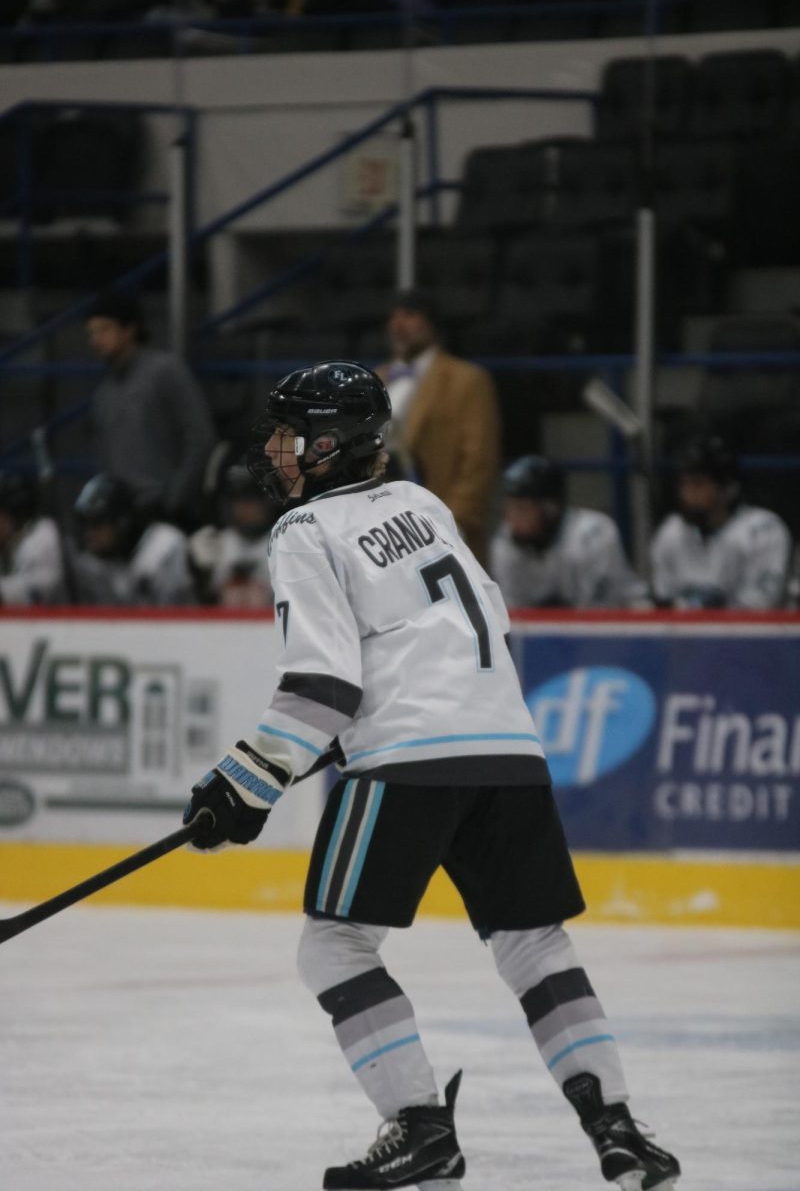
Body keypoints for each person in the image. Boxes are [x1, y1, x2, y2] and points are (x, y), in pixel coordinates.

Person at [182, 360, 681, 1191]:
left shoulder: (305, 533)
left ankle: (420, 1130)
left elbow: (323, 686)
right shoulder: (424, 505)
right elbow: (467, 631)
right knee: (535, 946)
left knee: (334, 946)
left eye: (291, 433)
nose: (275, 449)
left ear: (333, 445)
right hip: (509, 749)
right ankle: (618, 1128)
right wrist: (336, 742)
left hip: (409, 758)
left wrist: (243, 783)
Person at [377, 289, 501, 568]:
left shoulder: (467, 380)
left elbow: (478, 460)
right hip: (381, 523)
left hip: (441, 518)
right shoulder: (376, 378)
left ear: (432, 324)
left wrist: (453, 520)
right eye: (393, 317)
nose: (398, 325)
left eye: (409, 315)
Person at [86, 290, 217, 527]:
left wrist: (174, 499)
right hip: (123, 516)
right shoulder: (103, 392)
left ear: (129, 329)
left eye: (104, 329)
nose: (96, 339)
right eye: (92, 332)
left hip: (167, 510)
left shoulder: (165, 371)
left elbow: (200, 437)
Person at [650, 435, 793, 609]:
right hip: (685, 634)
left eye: (698, 484)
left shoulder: (762, 530)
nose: (687, 494)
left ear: (727, 488)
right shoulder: (671, 531)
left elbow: (763, 605)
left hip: (751, 635)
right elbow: (665, 601)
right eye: (684, 485)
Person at [490, 454, 650, 609]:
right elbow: (512, 614)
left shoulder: (593, 535)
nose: (511, 518)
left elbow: (598, 611)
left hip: (614, 625)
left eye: (522, 509)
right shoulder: (504, 543)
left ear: (550, 508)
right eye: (509, 507)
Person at [72, 473, 195, 605]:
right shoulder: (91, 563)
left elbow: (172, 616)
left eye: (97, 524)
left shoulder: (164, 546)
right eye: (86, 525)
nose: (89, 534)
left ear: (122, 522)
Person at [187, 463, 276, 606]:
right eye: (241, 501)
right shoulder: (214, 543)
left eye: (253, 501)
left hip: (270, 625)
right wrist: (201, 575)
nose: (247, 509)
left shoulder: (281, 542)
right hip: (219, 626)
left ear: (267, 503)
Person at [0, 471, 65, 605]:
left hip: (65, 622)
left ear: (16, 514)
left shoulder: (43, 537)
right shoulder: (12, 543)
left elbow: (36, 592)